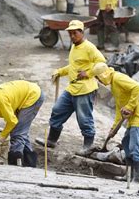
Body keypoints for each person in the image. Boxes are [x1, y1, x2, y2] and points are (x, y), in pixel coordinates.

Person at [39, 20, 105, 154]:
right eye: (70, 33)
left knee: (84, 118)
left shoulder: (89, 47)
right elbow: (74, 66)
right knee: (57, 110)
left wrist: (88, 73)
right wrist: (60, 71)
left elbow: (102, 64)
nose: (72, 36)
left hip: (85, 90)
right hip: (72, 88)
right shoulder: (74, 47)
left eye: (75, 33)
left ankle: (88, 146)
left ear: (82, 32)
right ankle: (52, 140)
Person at [92, 62, 139, 183]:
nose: (98, 80)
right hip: (133, 118)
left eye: (97, 77)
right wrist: (113, 129)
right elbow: (119, 109)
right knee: (126, 143)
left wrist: (130, 106)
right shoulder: (114, 85)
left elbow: (138, 88)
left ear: (103, 74)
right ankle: (129, 175)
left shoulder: (118, 78)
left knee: (134, 146)